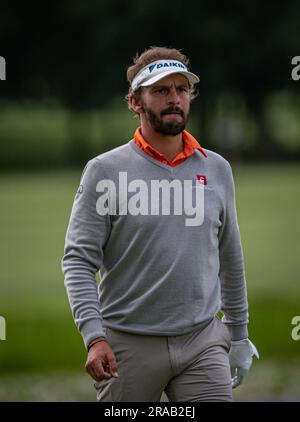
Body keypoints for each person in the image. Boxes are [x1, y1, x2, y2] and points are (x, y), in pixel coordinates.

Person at [61, 46, 258, 402]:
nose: (174, 99)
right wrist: (94, 336)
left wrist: (239, 334)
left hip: (202, 341)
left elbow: (230, 256)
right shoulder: (104, 171)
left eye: (181, 89)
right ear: (136, 102)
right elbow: (78, 260)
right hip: (127, 345)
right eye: (160, 91)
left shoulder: (216, 169)